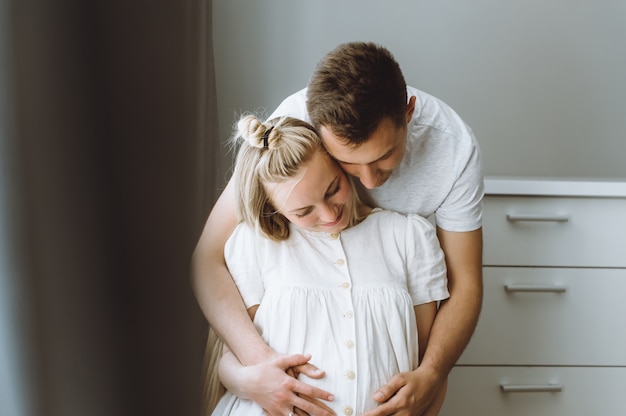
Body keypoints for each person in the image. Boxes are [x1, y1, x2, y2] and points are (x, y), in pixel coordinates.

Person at [192, 41, 484, 416]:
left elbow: (466, 284)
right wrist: (260, 369)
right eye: (348, 165)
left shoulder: (454, 152)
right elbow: (208, 257)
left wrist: (430, 375)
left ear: (408, 112)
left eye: (383, 157)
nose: (371, 182)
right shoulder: (293, 129)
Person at [205, 114, 449, 416]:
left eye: (333, 189)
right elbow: (230, 359)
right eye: (304, 210)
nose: (329, 214)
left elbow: (425, 370)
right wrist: (252, 383)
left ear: (340, 164)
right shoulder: (257, 244)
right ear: (276, 210)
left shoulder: (409, 238)